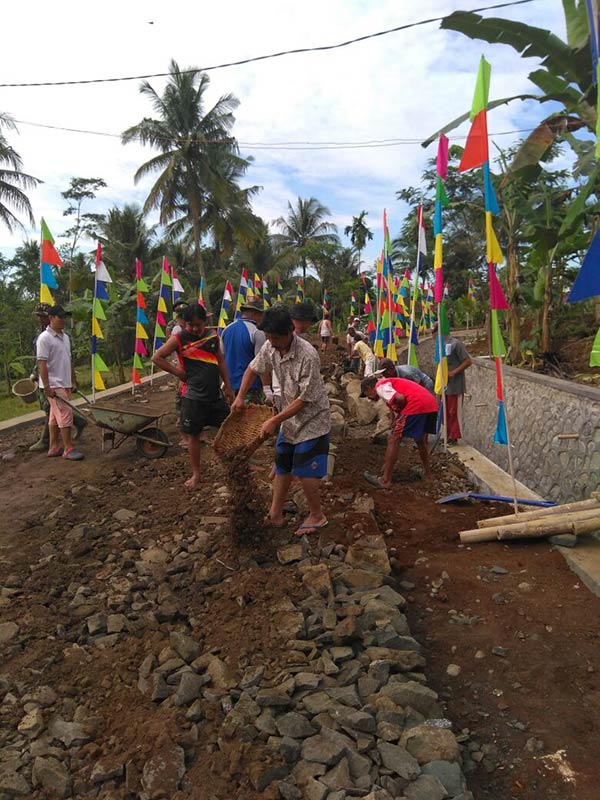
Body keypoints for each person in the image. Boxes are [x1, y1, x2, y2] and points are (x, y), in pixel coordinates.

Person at [232, 305, 331, 536]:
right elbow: (253, 368)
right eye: (268, 337)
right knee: (283, 463)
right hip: (288, 419)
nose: (271, 342)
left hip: (312, 420)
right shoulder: (270, 346)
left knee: (305, 471)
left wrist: (274, 420)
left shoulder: (308, 355)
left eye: (275, 337)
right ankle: (275, 514)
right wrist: (239, 397)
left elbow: (305, 399)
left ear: (289, 332)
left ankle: (317, 515)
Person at [152, 304, 233, 489]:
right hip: (193, 397)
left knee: (230, 428)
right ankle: (196, 474)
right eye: (191, 325)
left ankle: (236, 464)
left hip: (214, 395)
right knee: (194, 436)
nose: (195, 329)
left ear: (205, 321)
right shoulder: (179, 338)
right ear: (185, 323)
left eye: (199, 324)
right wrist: (178, 373)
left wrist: (228, 386)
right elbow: (157, 357)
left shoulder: (212, 336)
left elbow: (220, 361)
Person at [360, 374, 438, 487]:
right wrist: (394, 419)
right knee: (420, 439)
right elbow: (393, 403)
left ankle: (385, 480)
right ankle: (428, 474)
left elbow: (400, 398)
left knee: (393, 438)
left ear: (369, 388)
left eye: (366, 394)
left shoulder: (380, 386)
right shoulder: (389, 382)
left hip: (416, 404)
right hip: (430, 403)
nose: (368, 398)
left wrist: (401, 412)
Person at [36, 305, 84, 461]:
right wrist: (47, 386)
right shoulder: (44, 338)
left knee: (55, 417)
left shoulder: (65, 337)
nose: (63, 320)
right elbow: (42, 364)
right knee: (65, 415)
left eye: (64, 317)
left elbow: (68, 360)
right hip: (54, 384)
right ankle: (68, 448)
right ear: (51, 318)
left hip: (64, 382)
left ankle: (54, 446)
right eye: (60, 317)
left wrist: (73, 381)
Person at [221, 297, 270, 404]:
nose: (262, 318)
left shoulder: (226, 330)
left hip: (230, 385)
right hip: (251, 387)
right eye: (261, 314)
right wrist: (267, 389)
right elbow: (261, 363)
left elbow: (222, 358)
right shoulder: (257, 332)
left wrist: (224, 383)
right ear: (253, 313)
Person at [444, 335, 472, 443]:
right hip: (444, 385)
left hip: (455, 385)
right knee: (445, 412)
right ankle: (447, 436)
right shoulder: (440, 345)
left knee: (453, 411)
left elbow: (468, 361)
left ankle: (453, 437)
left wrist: (453, 372)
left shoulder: (456, 344)